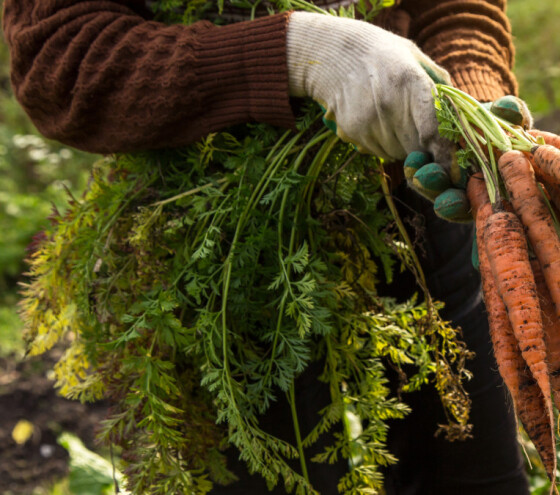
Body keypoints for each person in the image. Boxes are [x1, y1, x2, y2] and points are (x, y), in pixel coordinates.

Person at [3, 1, 531, 493]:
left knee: (475, 473)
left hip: (417, 194)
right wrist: (298, 52)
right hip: (217, 247)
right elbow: (63, 61)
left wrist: (466, 103)